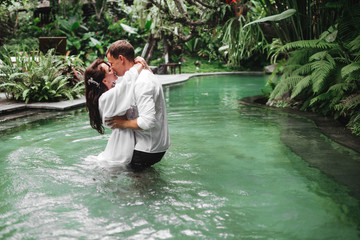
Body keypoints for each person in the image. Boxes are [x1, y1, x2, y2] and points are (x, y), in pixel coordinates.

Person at [105, 40, 170, 171]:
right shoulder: (142, 76)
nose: (111, 68)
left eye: (112, 63)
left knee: (136, 189)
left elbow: (147, 121)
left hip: (147, 149)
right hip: (153, 145)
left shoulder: (142, 82)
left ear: (121, 59)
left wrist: (121, 123)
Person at [84, 57, 146, 166]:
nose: (112, 69)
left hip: (121, 144)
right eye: (109, 70)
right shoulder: (106, 98)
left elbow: (124, 84)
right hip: (119, 152)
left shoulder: (109, 94)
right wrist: (140, 64)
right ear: (104, 80)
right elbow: (128, 81)